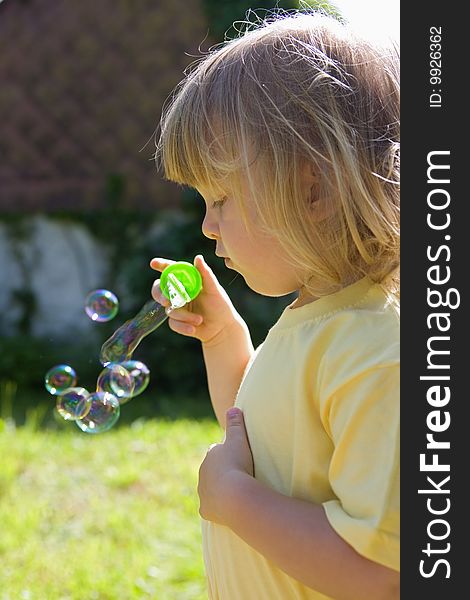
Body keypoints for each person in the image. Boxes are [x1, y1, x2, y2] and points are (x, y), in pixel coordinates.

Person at [151, 10, 400, 600]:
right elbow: (257, 434)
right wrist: (222, 338)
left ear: (313, 188)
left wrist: (236, 501)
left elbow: (386, 574)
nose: (208, 227)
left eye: (220, 199)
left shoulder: (377, 353)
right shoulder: (316, 324)